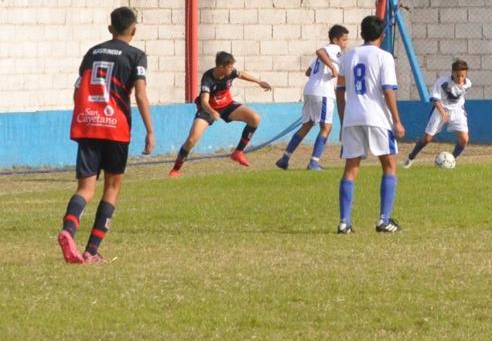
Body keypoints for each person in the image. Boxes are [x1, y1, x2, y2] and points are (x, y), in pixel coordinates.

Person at [57, 7, 155, 264]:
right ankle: (91, 250)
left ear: (110, 28)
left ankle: (68, 230)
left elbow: (78, 89)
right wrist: (150, 130)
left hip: (88, 125)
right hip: (115, 128)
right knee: (111, 188)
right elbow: (141, 95)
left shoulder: (92, 53)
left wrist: (85, 114)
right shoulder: (136, 55)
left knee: (85, 188)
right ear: (134, 30)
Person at [335, 15, 405, 234]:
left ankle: (344, 222)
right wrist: (396, 120)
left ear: (361, 33)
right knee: (389, 165)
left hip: (352, 118)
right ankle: (384, 219)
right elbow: (388, 90)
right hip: (377, 118)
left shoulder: (348, 56)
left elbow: (340, 91)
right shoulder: (384, 57)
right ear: (382, 35)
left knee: (351, 168)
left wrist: (344, 118)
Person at [169, 52, 271, 176]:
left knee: (255, 118)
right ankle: (176, 169)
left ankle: (238, 152)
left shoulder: (230, 72)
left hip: (227, 105)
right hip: (208, 109)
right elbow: (204, 101)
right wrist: (212, 112)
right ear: (221, 67)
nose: (232, 69)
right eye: (229, 67)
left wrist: (259, 82)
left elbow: (241, 74)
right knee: (191, 140)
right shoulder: (208, 78)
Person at [277, 24, 349, 171]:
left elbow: (308, 72)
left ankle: (285, 158)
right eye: (344, 40)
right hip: (322, 92)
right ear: (335, 40)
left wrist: (325, 71)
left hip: (310, 89)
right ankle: (314, 162)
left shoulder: (329, 54)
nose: (345, 43)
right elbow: (319, 51)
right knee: (326, 127)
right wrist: (333, 68)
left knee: (307, 124)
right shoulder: (334, 49)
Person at [403, 59, 471, 167]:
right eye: (457, 75)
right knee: (427, 138)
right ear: (452, 73)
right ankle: (410, 158)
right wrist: (442, 112)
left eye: (463, 75)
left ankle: (451, 160)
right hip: (441, 109)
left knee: (464, 139)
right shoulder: (442, 82)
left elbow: (459, 95)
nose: (460, 78)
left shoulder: (468, 83)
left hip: (457, 111)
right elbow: (435, 99)